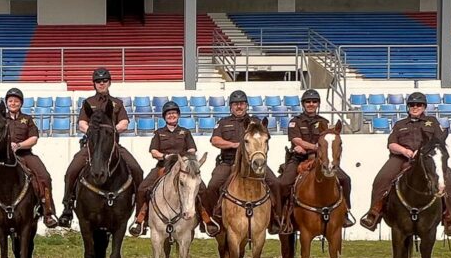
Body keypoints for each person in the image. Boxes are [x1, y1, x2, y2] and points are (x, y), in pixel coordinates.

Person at [359, 91, 451, 236]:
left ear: (424, 107)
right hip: (402, 158)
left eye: (418, 104)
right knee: (382, 179)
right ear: (408, 107)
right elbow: (391, 144)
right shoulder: (400, 124)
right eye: (412, 105)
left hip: (428, 160)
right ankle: (374, 213)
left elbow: (439, 142)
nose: (415, 107)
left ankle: (450, 219)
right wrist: (405, 151)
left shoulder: (432, 122)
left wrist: (424, 153)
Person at [57, 67, 144, 228]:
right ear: (94, 84)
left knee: (137, 170)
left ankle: (141, 212)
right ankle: (67, 207)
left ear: (109, 82)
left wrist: (111, 131)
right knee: (71, 170)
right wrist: (92, 130)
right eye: (98, 81)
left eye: (104, 81)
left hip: (113, 145)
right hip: (92, 145)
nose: (101, 83)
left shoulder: (117, 103)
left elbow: (125, 122)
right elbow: (82, 122)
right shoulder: (88, 103)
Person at [128, 101, 219, 237]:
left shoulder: (185, 132)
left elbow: (192, 150)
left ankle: (206, 220)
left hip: (183, 168)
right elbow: (153, 151)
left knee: (202, 190)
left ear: (178, 115)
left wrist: (183, 158)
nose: (172, 115)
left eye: (174, 113)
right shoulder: (159, 133)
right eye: (169, 113)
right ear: (164, 117)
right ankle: (140, 221)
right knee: (142, 189)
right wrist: (165, 156)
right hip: (163, 166)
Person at [0, 87, 60, 228]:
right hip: (2, 158)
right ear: (7, 103)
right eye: (10, 101)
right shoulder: (0, 119)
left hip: (24, 154)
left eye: (16, 101)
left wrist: (18, 145)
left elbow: (34, 138)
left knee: (44, 176)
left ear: (21, 103)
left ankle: (48, 211)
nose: (13, 103)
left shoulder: (27, 119)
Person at [202, 89, 283, 234]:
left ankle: (275, 218)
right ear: (231, 107)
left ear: (246, 105)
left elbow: (265, 137)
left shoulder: (256, 121)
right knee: (212, 186)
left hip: (253, 163)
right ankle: (212, 220)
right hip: (228, 162)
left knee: (275, 183)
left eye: (242, 104)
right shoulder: (223, 122)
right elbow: (215, 140)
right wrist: (234, 145)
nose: (239, 107)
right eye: (235, 104)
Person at [277, 89, 354, 233]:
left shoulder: (324, 123)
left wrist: (316, 150)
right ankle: (281, 216)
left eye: (314, 101)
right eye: (308, 102)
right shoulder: (295, 122)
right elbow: (296, 140)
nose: (311, 104)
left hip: (320, 160)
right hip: (299, 158)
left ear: (318, 104)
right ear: (303, 104)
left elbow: (329, 142)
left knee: (345, 180)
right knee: (283, 183)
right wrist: (314, 147)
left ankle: (345, 213)